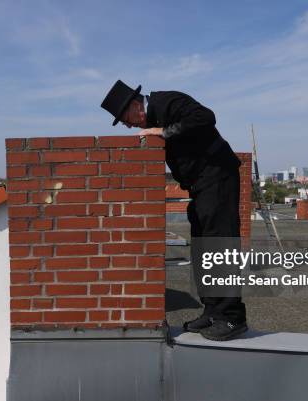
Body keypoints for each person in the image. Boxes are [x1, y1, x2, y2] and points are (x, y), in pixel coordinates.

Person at [101, 80, 247, 341]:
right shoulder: (153, 114)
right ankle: (213, 311)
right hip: (200, 185)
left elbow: (206, 117)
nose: (127, 124)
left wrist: (163, 131)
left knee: (219, 243)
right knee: (203, 246)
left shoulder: (167, 101)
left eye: (125, 118)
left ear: (136, 105)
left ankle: (232, 317)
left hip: (218, 177)